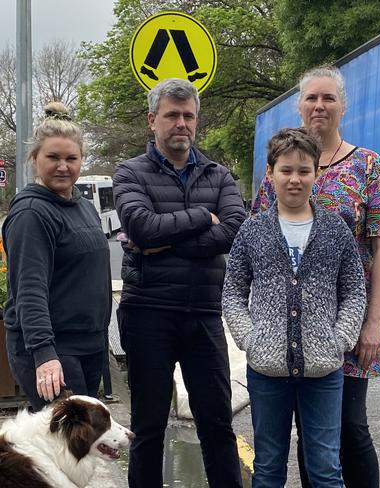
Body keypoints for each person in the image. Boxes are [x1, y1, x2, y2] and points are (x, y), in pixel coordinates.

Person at [252, 66, 380, 488]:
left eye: (329, 99)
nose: (320, 106)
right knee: (310, 439)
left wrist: (371, 323)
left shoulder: (367, 166)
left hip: (348, 325)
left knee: (350, 429)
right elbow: (257, 246)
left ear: (343, 107)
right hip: (288, 330)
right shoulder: (279, 168)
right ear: (299, 106)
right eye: (312, 99)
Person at [113, 78, 246, 488]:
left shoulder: (219, 175)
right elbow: (141, 226)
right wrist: (204, 218)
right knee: (148, 429)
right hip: (148, 314)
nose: (181, 124)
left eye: (189, 116)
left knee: (217, 426)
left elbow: (237, 229)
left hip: (204, 315)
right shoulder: (129, 171)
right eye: (172, 115)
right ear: (153, 120)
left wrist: (166, 244)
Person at [224, 128, 367, 488]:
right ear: (270, 174)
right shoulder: (253, 230)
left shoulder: (335, 230)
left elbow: (353, 291)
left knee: (325, 468)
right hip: (267, 371)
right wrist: (251, 339)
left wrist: (339, 339)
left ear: (316, 173)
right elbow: (233, 293)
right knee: (269, 467)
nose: (295, 179)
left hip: (324, 372)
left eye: (304, 171)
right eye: (286, 170)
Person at [1, 102, 111, 411]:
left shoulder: (83, 206)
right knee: (67, 450)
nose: (63, 166)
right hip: (54, 351)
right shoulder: (31, 213)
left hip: (88, 345)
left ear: (81, 161)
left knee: (82, 448)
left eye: (71, 158)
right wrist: (44, 354)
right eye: (53, 157)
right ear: (34, 159)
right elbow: (29, 290)